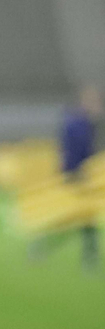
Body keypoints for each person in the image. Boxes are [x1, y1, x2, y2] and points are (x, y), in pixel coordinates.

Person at [59, 85, 100, 270]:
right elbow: (75, 151)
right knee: (78, 217)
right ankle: (89, 257)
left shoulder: (84, 123)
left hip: (83, 175)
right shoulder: (76, 123)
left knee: (86, 217)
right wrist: (75, 171)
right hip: (77, 175)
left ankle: (90, 255)